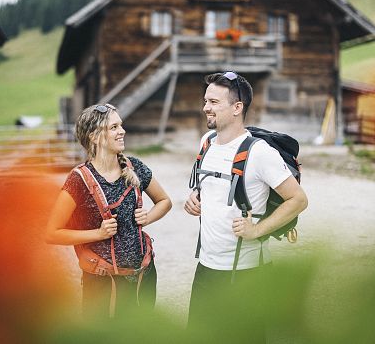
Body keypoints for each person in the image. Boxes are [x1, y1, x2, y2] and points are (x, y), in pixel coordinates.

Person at [184, 72, 308, 342]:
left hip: (247, 272)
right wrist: (195, 198)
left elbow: (298, 200)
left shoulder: (261, 152)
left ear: (237, 108)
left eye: (214, 102)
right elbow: (207, 186)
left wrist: (256, 230)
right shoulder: (206, 142)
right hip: (206, 266)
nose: (206, 107)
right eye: (206, 100)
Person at [46, 103, 172, 318]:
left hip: (144, 275)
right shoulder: (79, 180)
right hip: (102, 283)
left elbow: (165, 201)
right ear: (94, 136)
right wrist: (99, 234)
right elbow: (52, 233)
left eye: (120, 125)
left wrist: (148, 217)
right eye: (113, 127)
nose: (122, 131)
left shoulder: (135, 167)